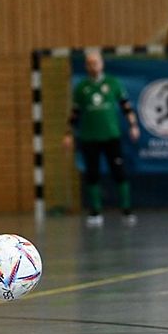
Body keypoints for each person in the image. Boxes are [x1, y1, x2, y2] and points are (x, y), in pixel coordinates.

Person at [62, 49, 141, 226]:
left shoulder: (113, 83)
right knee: (92, 174)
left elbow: (126, 107)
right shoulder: (82, 88)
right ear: (86, 66)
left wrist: (133, 126)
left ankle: (126, 209)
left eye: (95, 62)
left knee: (118, 171)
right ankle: (95, 211)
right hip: (90, 137)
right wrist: (68, 134)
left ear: (101, 63)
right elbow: (75, 114)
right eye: (89, 63)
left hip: (111, 136)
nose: (93, 66)